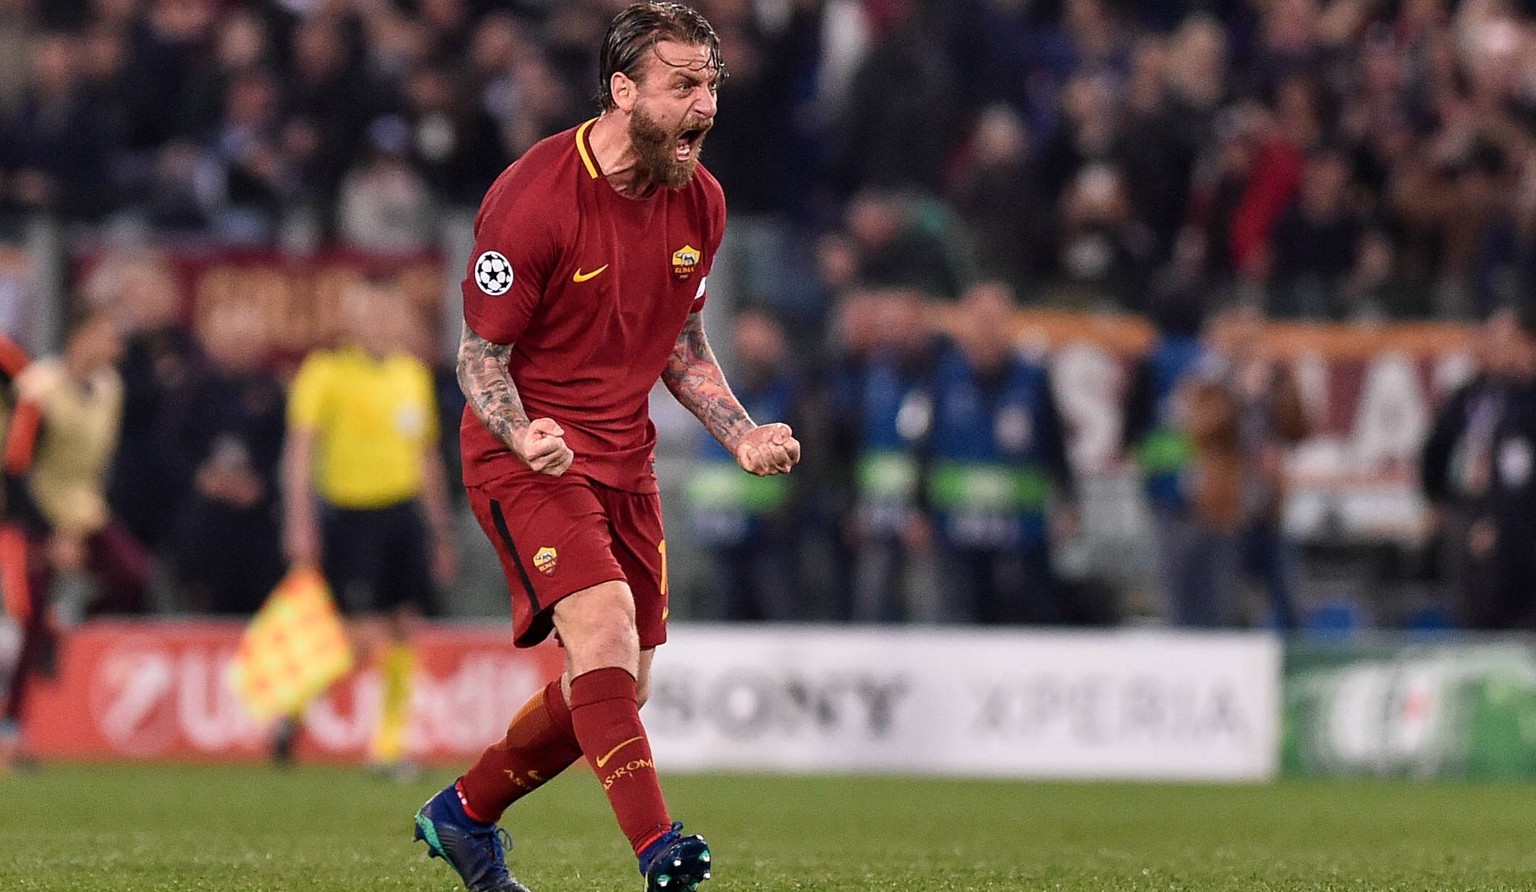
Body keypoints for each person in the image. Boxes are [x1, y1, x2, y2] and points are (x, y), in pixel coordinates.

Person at [412, 6, 800, 892]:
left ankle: (464, 815)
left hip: (625, 458)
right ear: (624, 91)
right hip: (526, 454)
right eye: (684, 85)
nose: (705, 104)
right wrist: (522, 431)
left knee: (622, 681)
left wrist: (742, 435)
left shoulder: (700, 198)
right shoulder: (536, 197)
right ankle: (661, 850)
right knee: (605, 632)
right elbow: (478, 355)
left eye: (711, 84)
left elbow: (683, 346)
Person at [281, 278, 458, 772]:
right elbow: (300, 453)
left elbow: (426, 458)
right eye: (372, 317)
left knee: (404, 626)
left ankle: (388, 746)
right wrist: (299, 521)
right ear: (354, 322)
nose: (382, 326)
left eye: (389, 316)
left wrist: (439, 530)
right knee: (358, 636)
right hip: (351, 516)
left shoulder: (410, 374)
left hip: (402, 514)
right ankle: (294, 704)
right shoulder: (325, 372)